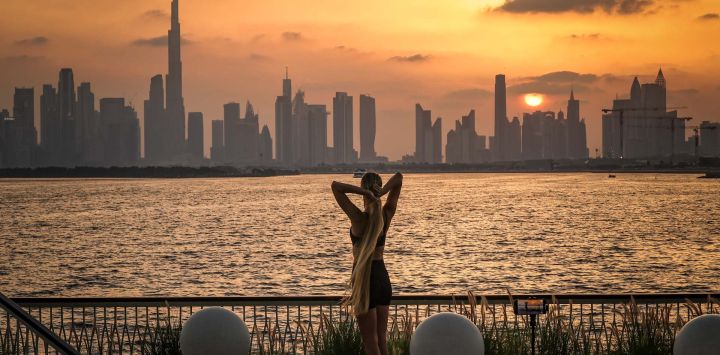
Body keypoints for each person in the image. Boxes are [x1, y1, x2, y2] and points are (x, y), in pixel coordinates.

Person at [331, 172, 403, 355]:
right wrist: (381, 192)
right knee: (381, 341)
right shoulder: (385, 216)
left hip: (364, 281)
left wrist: (365, 193)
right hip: (382, 278)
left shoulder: (358, 218)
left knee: (370, 344)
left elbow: (335, 186)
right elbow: (398, 178)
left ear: (364, 192)